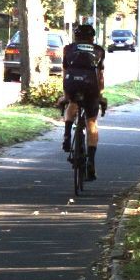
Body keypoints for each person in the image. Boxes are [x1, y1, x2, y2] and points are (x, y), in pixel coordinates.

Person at [60, 23, 107, 179]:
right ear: (92, 38)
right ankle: (91, 162)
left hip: (72, 84)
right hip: (91, 86)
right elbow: (100, 76)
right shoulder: (99, 51)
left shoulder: (68, 49)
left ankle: (67, 136)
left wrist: (66, 95)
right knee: (91, 121)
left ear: (76, 37)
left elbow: (65, 71)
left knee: (72, 104)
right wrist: (100, 95)